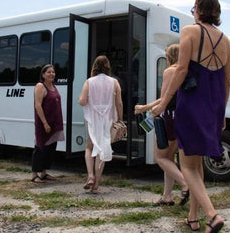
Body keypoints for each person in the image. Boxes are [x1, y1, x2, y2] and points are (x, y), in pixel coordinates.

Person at [153, 0, 230, 232]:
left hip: (192, 104)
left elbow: (181, 69)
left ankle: (211, 214)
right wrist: (222, 112)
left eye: (193, 8)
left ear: (198, 8)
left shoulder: (190, 32)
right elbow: (227, 81)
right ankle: (193, 217)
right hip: (214, 105)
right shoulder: (225, 40)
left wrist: (164, 102)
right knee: (197, 167)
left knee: (187, 165)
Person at [134, 44, 190, 206]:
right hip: (182, 117)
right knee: (169, 158)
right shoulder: (184, 71)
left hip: (168, 117)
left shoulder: (169, 71)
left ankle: (185, 184)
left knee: (159, 157)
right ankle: (167, 196)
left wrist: (144, 108)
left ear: (169, 56)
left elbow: (165, 98)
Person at [78, 55, 123, 194]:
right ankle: (96, 183)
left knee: (89, 147)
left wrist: (85, 100)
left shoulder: (89, 82)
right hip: (108, 121)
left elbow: (83, 101)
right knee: (102, 150)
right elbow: (119, 103)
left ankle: (90, 175)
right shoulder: (114, 82)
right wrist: (120, 119)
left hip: (92, 119)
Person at [31, 64, 65, 183]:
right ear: (43, 74)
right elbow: (38, 105)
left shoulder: (53, 86)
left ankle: (44, 172)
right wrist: (45, 123)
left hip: (54, 123)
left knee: (50, 148)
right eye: (48, 72)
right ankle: (34, 174)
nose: (51, 74)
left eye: (53, 72)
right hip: (44, 123)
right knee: (40, 147)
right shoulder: (40, 86)